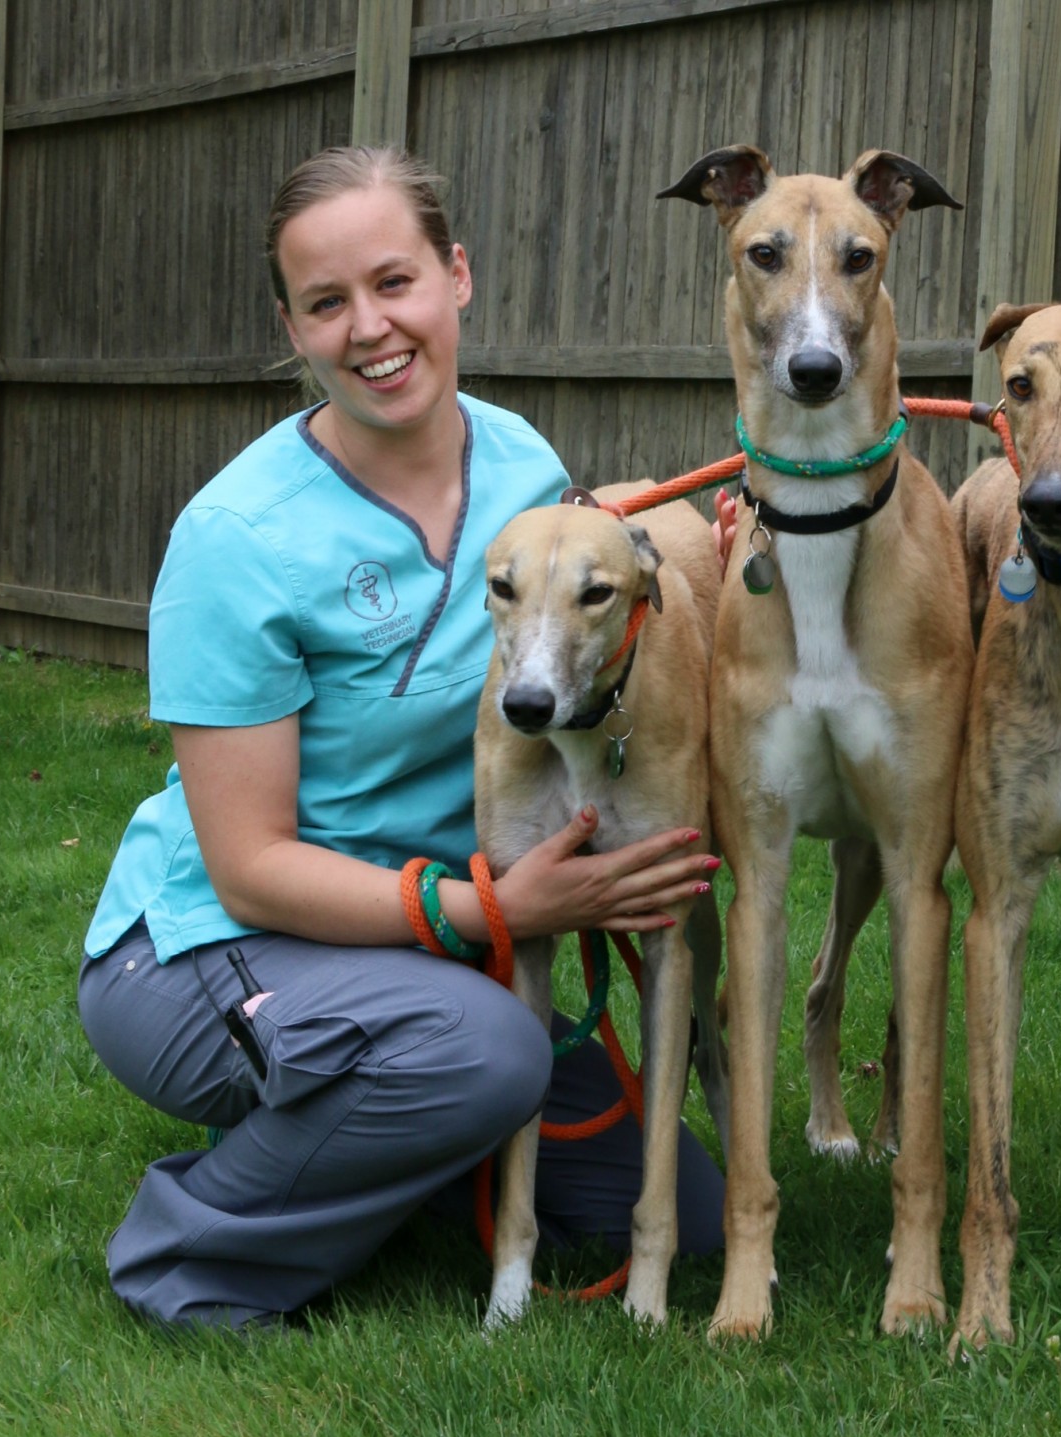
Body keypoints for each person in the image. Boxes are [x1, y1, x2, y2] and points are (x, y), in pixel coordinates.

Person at [78, 145, 733, 1333]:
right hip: (210, 949)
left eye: (395, 282)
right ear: (291, 324)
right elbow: (248, 864)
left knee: (683, 1206)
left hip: (436, 944)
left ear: (457, 276)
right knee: (489, 1058)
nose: (370, 328)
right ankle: (188, 1259)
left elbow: (595, 632)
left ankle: (392, 1138)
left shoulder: (525, 464)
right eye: (327, 303)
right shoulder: (234, 538)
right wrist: (496, 915)